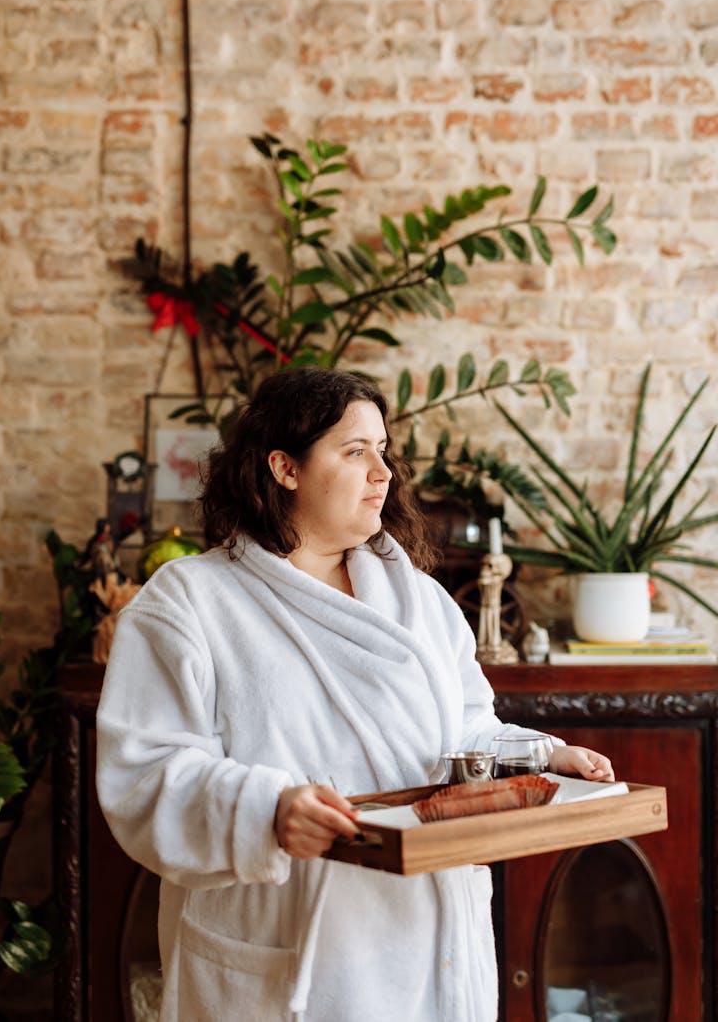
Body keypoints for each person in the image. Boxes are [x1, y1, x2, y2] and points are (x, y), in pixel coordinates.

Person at [96, 368, 614, 1022]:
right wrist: (266, 810)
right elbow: (144, 777)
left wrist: (538, 757)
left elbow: (462, 731)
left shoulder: (419, 598)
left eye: (383, 449)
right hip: (294, 959)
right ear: (285, 467)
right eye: (354, 450)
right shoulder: (189, 601)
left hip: (429, 942)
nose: (383, 470)